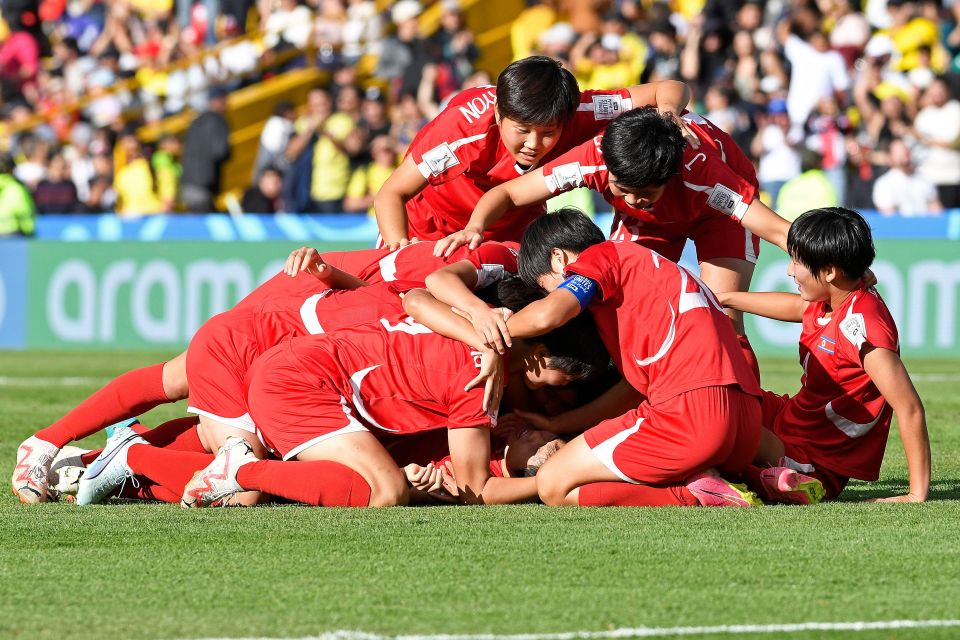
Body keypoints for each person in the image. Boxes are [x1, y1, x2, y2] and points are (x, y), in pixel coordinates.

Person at [12, 240, 520, 503]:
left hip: (272, 344)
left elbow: (399, 295)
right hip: (255, 346)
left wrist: (324, 273)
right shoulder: (427, 293)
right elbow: (409, 290)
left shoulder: (411, 313)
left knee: (183, 401)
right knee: (244, 481)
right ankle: (110, 453)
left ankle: (99, 456)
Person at [407, 209, 765, 508]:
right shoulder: (655, 278)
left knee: (553, 485)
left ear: (560, 260)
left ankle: (690, 496)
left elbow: (548, 316)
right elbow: (631, 392)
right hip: (745, 424)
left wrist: (494, 337)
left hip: (693, 414)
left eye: (547, 286)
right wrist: (561, 425)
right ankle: (762, 476)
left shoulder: (604, 257)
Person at [434, 108, 792, 378]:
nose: (632, 201)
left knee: (723, 322)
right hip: (651, 225)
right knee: (614, 304)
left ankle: (749, 423)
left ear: (671, 176)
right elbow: (511, 193)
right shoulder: (595, 158)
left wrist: (823, 258)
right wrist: (476, 225)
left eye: (645, 194)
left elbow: (777, 230)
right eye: (623, 191)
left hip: (718, 219)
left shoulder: (706, 176)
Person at [374, 55, 696, 250]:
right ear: (499, 114)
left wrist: (668, 112)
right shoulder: (460, 131)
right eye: (523, 130)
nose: (533, 144)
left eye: (547, 133)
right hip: (428, 229)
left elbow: (667, 87)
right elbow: (390, 193)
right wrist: (399, 250)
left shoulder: (577, 109)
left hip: (513, 232)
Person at [718, 207, 930, 504]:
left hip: (815, 461)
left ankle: (751, 479)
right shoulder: (832, 296)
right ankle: (752, 476)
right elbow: (797, 308)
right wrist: (725, 298)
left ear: (830, 270)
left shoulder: (862, 328)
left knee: (726, 428)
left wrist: (916, 494)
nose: (790, 271)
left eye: (797, 262)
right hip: (789, 420)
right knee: (719, 401)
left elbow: (910, 408)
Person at [180, 87, 231, 212]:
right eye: (225, 100)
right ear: (217, 101)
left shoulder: (196, 121)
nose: (228, 104)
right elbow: (220, 152)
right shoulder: (219, 121)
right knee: (203, 227)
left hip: (187, 182)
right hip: (205, 183)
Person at [871, 139, 943, 216]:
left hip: (926, 225)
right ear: (890, 157)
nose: (904, 153)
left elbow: (935, 208)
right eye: (899, 152)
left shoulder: (924, 178)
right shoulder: (884, 183)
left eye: (905, 150)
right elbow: (889, 216)